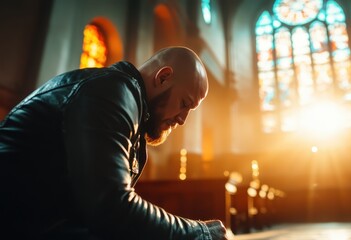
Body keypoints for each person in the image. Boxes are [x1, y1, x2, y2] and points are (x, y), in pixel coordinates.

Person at [0, 46, 229, 240]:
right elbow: (111, 208)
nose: (182, 119)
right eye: (184, 103)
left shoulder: (128, 106)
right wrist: (199, 232)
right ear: (162, 77)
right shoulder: (111, 92)